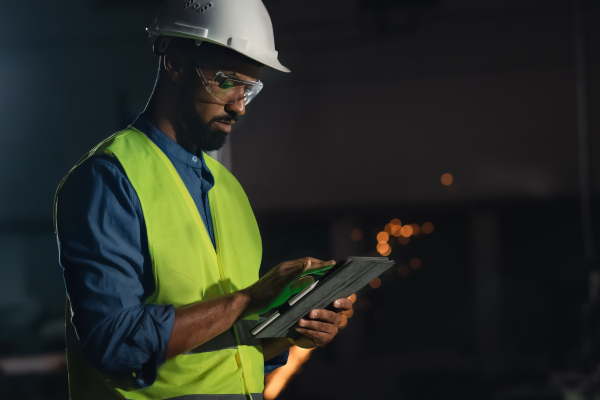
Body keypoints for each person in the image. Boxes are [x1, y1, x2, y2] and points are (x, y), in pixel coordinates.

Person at [53, 0, 353, 399]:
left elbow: (229, 353)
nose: (240, 106)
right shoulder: (109, 179)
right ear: (174, 64)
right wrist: (247, 299)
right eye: (228, 82)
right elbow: (115, 344)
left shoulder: (228, 190)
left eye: (250, 89)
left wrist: (293, 331)